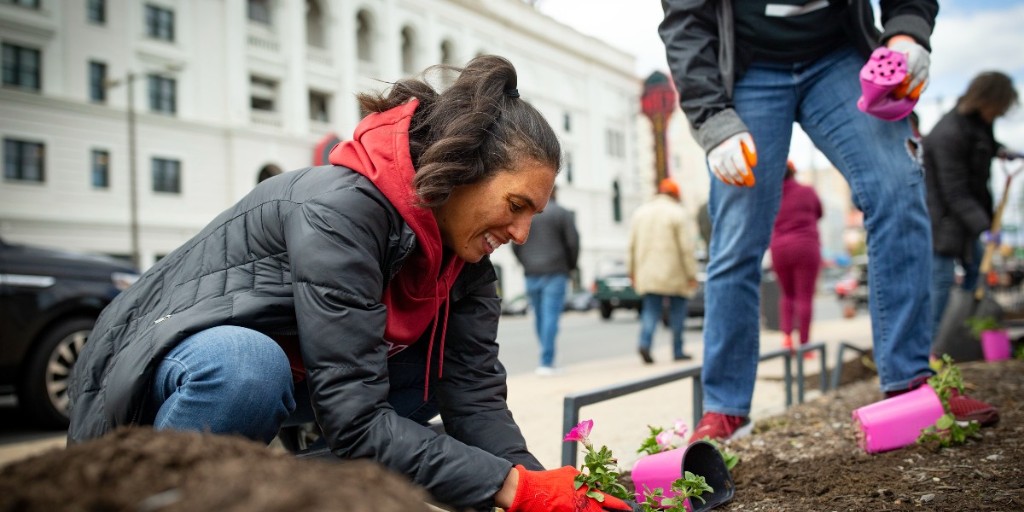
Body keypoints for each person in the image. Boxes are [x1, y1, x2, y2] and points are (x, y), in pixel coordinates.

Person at [67, 55, 636, 512]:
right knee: (244, 367)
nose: (521, 232)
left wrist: (537, 490)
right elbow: (358, 418)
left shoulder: (466, 262)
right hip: (163, 372)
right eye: (516, 206)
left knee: (437, 377)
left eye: (534, 214)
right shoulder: (339, 208)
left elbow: (475, 398)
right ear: (463, 170)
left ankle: (286, 486)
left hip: (310, 386)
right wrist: (507, 487)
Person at [659, 0, 999, 442]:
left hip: (838, 54)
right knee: (737, 232)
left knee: (897, 185)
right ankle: (724, 410)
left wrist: (907, 33)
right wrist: (711, 119)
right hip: (748, 64)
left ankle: (910, 381)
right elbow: (686, 22)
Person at [925, 71, 1019, 337]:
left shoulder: (978, 125)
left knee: (978, 276)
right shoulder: (948, 133)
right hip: (942, 219)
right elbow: (954, 191)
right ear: (988, 100)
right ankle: (934, 346)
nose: (999, 115)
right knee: (941, 282)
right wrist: (983, 226)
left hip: (967, 219)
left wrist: (999, 150)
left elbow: (982, 147)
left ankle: (966, 339)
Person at [627, 178, 700, 364]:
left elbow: (632, 246)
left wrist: (632, 272)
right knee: (677, 312)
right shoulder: (678, 213)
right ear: (675, 195)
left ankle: (645, 343)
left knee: (650, 311)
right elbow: (686, 248)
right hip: (674, 273)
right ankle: (677, 350)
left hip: (648, 273)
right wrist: (692, 274)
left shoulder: (640, 213)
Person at [512, 186, 580, 376]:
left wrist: (525, 262)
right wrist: (571, 267)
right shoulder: (563, 213)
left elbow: (515, 242)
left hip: (531, 271)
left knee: (540, 317)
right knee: (550, 317)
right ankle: (546, 361)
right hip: (556, 271)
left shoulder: (528, 214)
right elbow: (573, 242)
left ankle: (545, 358)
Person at [769, 161, 823, 353]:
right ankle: (805, 344)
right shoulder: (807, 191)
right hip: (805, 247)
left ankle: (786, 339)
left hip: (779, 248)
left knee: (787, 295)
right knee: (804, 296)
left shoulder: (772, 196)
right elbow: (819, 212)